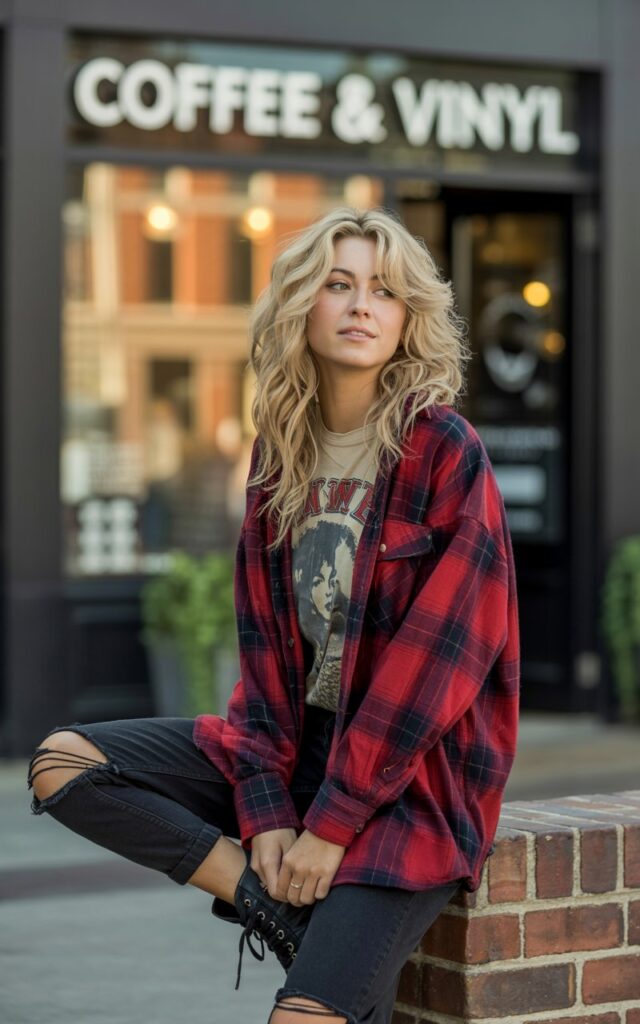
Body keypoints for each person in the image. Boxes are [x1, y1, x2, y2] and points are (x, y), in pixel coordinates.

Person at [28, 208, 520, 1024]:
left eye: (384, 291)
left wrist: (327, 827)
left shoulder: (443, 448)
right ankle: (271, 907)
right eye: (339, 284)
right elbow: (263, 662)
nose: (362, 305)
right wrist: (265, 816)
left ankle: (310, 931)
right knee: (64, 764)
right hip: (297, 751)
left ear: (408, 320)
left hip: (411, 784)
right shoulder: (277, 454)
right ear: (303, 305)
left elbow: (439, 668)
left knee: (305, 1016)